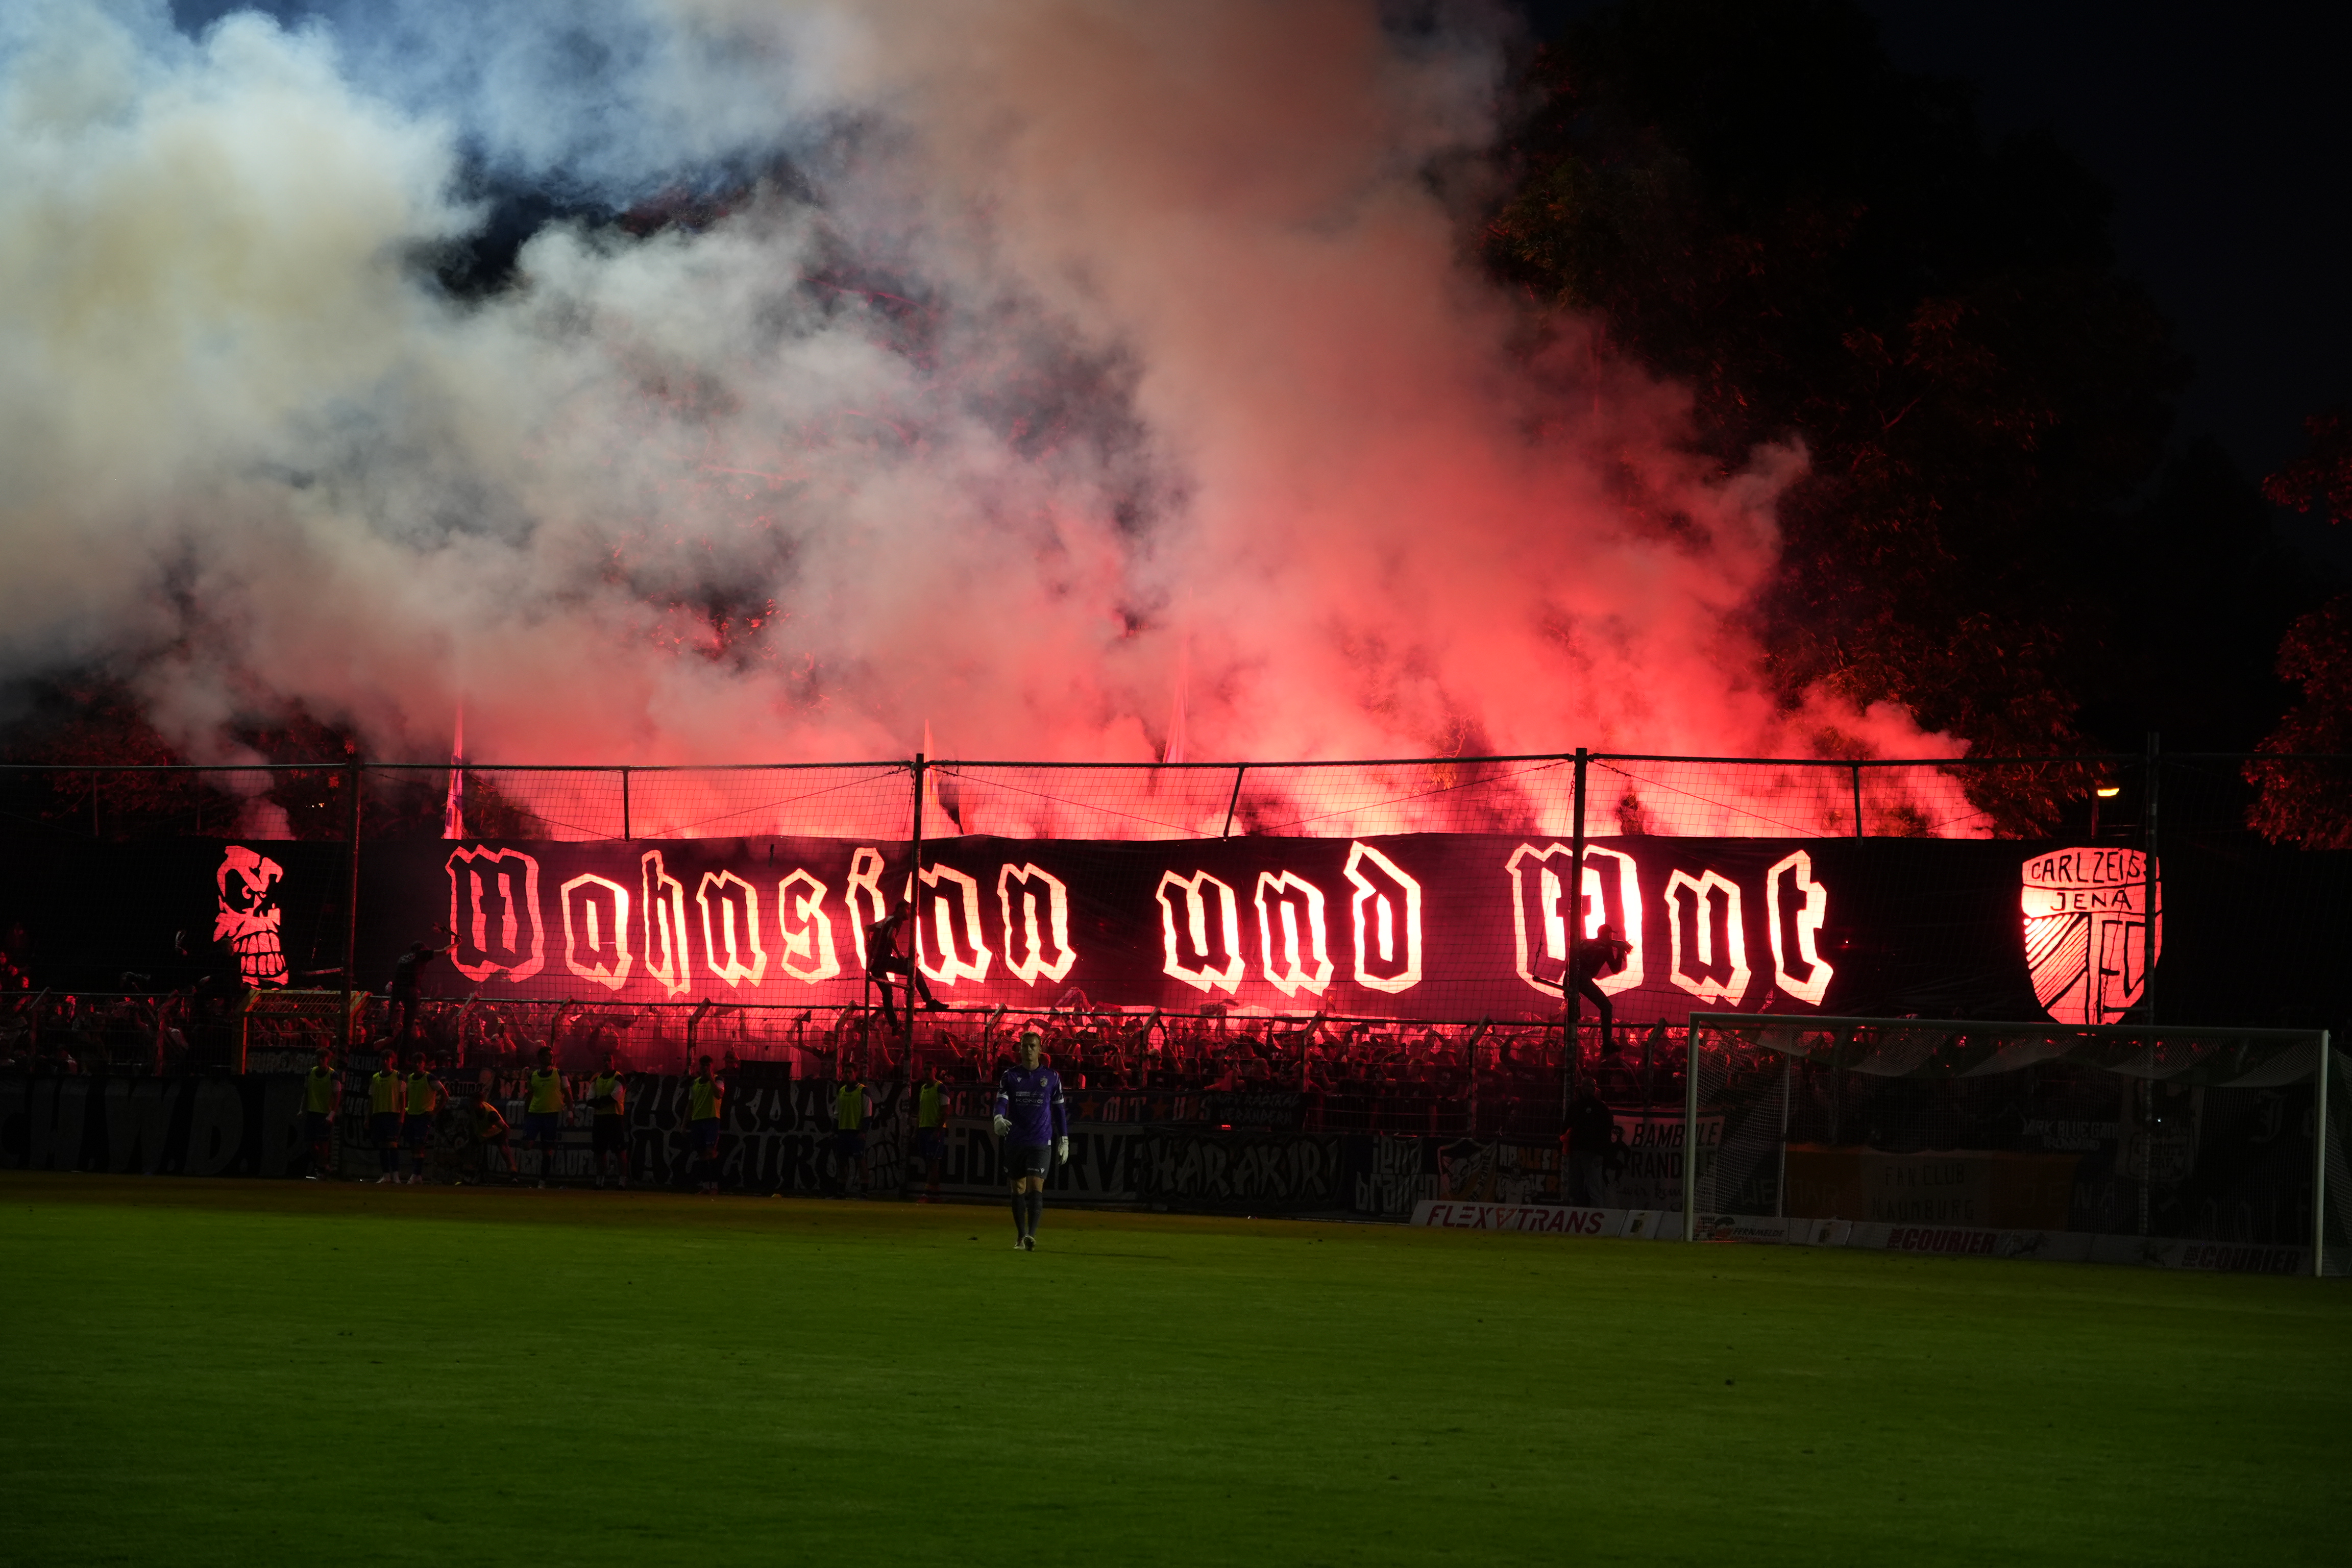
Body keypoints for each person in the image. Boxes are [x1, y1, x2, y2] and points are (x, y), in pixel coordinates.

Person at [992, 1030, 1068, 1251]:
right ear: (1019, 1049)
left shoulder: (1052, 1077)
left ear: (1040, 1050)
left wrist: (1064, 1140)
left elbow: (1060, 1110)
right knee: (1018, 1188)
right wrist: (998, 1117)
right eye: (1025, 1046)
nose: (1028, 1050)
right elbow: (1001, 1102)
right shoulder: (1010, 1076)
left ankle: (1031, 1237)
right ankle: (1021, 1235)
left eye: (1033, 1046)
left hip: (1041, 1140)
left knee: (1036, 1187)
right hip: (1015, 1139)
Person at [1534, 922, 1634, 1054]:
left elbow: (1574, 959)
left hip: (1570, 977)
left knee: (1573, 1012)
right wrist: (1621, 952)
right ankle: (1607, 1044)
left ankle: (1569, 1044)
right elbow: (1615, 969)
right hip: (1583, 979)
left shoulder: (1584, 943)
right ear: (1609, 935)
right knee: (1606, 1007)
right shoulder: (1607, 948)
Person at [864, 899, 944, 1029]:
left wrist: (868, 944)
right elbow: (891, 936)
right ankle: (929, 1001)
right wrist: (899, 954)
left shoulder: (887, 919)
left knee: (887, 993)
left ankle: (894, 1025)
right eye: (908, 909)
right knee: (913, 971)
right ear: (901, 909)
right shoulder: (896, 919)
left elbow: (867, 928)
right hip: (883, 959)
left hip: (875, 963)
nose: (909, 912)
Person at [387, 927, 453, 1049]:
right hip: (410, 991)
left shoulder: (403, 958)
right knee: (408, 1026)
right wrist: (456, 944)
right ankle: (403, 1055)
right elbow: (445, 951)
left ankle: (388, 1027)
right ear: (422, 949)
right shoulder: (421, 954)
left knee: (391, 1015)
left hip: (397, 990)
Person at [522, 1046, 566, 1188]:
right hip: (535, 1114)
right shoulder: (533, 1076)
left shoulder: (559, 1074)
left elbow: (568, 1094)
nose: (551, 1058)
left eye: (552, 1056)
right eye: (548, 1056)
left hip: (551, 1115)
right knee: (527, 1145)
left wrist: (570, 1112)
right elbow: (530, 1095)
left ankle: (542, 1181)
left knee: (547, 1150)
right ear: (540, 1058)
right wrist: (526, 1113)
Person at [685, 1055, 724, 1195]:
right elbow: (690, 1105)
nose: (705, 1068)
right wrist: (684, 1124)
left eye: (708, 1066)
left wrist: (711, 1080)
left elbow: (719, 1094)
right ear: (700, 1067)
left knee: (711, 1152)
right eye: (703, 1066)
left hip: (712, 1120)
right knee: (701, 1154)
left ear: (712, 1067)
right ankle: (706, 1186)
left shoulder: (718, 1079)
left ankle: (715, 1186)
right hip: (698, 1121)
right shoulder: (695, 1083)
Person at [402, 1055, 444, 1185]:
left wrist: (435, 1111)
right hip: (411, 1115)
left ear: (424, 1064)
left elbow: (445, 1095)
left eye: (420, 1062)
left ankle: (416, 1174)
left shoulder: (429, 1078)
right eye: (415, 1062)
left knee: (419, 1145)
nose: (417, 1065)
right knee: (413, 1146)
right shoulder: (409, 1078)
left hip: (423, 1116)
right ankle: (417, 1175)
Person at [588, 1054, 628, 1189]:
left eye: (609, 1060)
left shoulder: (619, 1078)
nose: (606, 1063)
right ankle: (600, 1181)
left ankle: (622, 1182)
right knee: (600, 1151)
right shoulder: (596, 1079)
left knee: (619, 1150)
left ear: (613, 1062)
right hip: (600, 1118)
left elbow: (615, 1096)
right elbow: (590, 1099)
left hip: (614, 1117)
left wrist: (599, 1102)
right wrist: (601, 1102)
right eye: (604, 1060)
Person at [829, 1074, 871, 1197]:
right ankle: (841, 1192)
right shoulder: (842, 1091)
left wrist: (863, 1131)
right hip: (843, 1131)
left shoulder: (863, 1090)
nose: (847, 1075)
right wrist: (834, 1130)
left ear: (855, 1074)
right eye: (845, 1072)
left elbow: (867, 1113)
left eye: (850, 1072)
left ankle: (864, 1193)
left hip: (856, 1132)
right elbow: (837, 1113)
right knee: (842, 1161)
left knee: (860, 1161)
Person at [368, 1050, 406, 1185]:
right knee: (382, 1145)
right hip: (379, 1114)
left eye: (387, 1059)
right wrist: (369, 1117)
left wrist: (401, 1116)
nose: (384, 1062)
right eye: (383, 1059)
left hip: (392, 1114)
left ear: (392, 1061)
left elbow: (403, 1099)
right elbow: (372, 1099)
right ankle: (386, 1175)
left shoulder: (399, 1077)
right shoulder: (375, 1078)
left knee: (393, 1145)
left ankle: (396, 1175)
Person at [301, 1050, 339, 1181]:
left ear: (328, 1060)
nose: (321, 1060)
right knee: (310, 1143)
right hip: (312, 1112)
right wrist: (302, 1109)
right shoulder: (310, 1073)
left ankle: (322, 1171)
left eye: (323, 1058)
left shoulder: (333, 1075)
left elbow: (337, 1096)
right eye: (319, 1057)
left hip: (324, 1114)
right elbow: (306, 1093)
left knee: (323, 1144)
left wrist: (332, 1115)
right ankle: (323, 1165)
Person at [470, 1081, 518, 1184]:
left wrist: (504, 1142)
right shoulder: (471, 1110)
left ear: (480, 1102)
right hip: (483, 1132)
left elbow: (505, 1128)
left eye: (474, 1102)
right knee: (469, 1150)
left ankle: (514, 1177)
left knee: (505, 1152)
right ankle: (469, 1176)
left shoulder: (491, 1114)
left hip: (497, 1133)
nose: (472, 1104)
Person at [911, 1069, 946, 1202]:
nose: (926, 1072)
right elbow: (921, 1111)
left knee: (933, 1163)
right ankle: (936, 1195)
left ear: (934, 1072)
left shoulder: (940, 1087)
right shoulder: (923, 1088)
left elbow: (945, 1110)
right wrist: (916, 1131)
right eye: (925, 1070)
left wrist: (938, 1130)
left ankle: (927, 1194)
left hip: (934, 1129)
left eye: (929, 1070)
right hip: (924, 1129)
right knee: (929, 1163)